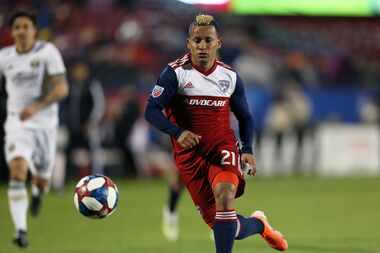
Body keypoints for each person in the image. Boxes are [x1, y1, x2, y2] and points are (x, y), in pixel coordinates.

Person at [145, 14, 288, 253]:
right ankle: (260, 225)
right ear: (189, 43)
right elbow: (151, 111)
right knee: (227, 225)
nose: (202, 46)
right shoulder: (174, 74)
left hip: (221, 149)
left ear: (218, 43)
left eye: (208, 40)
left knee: (225, 196)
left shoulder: (230, 76)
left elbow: (245, 117)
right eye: (197, 40)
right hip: (189, 157)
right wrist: (177, 132)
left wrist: (247, 150)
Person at [0, 11, 69, 248]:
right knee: (17, 171)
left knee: (41, 178)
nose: (21, 30)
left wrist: (37, 106)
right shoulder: (4, 57)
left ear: (34, 30)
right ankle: (21, 231)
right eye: (16, 27)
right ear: (12, 32)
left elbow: (62, 89)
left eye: (25, 26)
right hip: (17, 122)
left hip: (45, 124)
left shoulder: (47, 52)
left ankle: (38, 194)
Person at [65, 60, 105, 178]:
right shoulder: (70, 85)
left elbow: (99, 104)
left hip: (89, 125)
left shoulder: (92, 84)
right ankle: (68, 178)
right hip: (72, 125)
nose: (78, 73)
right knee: (69, 152)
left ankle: (99, 177)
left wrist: (92, 122)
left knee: (94, 151)